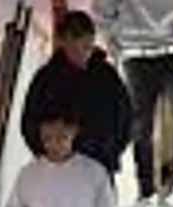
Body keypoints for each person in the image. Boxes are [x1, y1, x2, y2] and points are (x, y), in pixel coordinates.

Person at [93, 0, 173, 207]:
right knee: (145, 124)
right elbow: (102, 11)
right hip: (140, 51)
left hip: (169, 48)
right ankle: (150, 189)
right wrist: (117, 41)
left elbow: (102, 12)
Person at [22, 10, 134, 180]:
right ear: (63, 42)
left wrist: (112, 152)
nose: (83, 54)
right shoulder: (47, 79)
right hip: (60, 170)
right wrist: (49, 156)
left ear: (93, 41)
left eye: (87, 47)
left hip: (101, 166)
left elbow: (126, 118)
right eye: (75, 48)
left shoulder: (107, 76)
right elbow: (30, 124)